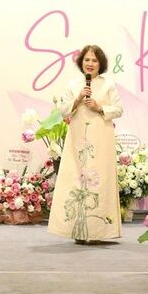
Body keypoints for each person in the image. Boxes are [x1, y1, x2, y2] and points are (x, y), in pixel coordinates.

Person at [47, 45, 123, 244]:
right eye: (87, 60)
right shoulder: (73, 85)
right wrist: (78, 98)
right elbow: (63, 111)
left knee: (99, 179)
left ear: (101, 64)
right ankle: (77, 230)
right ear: (81, 62)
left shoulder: (108, 85)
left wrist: (99, 107)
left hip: (101, 137)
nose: (90, 64)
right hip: (78, 138)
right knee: (76, 179)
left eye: (94, 60)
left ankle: (98, 232)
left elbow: (118, 109)